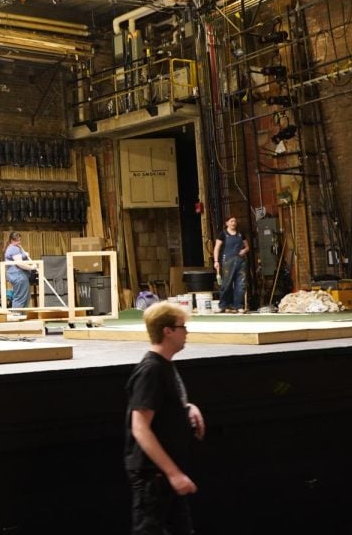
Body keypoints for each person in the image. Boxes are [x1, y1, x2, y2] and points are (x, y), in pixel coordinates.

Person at [125, 300, 206, 534]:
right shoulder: (151, 370)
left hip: (166, 476)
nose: (187, 333)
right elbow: (140, 427)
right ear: (167, 331)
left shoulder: (165, 366)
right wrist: (173, 474)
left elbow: (163, 404)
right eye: (182, 327)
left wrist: (187, 408)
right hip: (154, 478)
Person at [213, 215, 249, 313]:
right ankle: (223, 305)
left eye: (235, 221)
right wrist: (216, 261)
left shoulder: (241, 234)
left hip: (240, 262)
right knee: (226, 284)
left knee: (241, 284)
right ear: (227, 223)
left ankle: (238, 306)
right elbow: (217, 248)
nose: (234, 223)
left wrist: (244, 250)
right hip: (227, 262)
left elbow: (247, 247)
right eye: (231, 221)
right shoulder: (222, 234)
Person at [4, 231, 32, 309]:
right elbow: (20, 264)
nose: (19, 242)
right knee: (20, 298)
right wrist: (32, 267)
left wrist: (24, 255)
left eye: (20, 240)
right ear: (12, 240)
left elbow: (19, 259)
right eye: (17, 240)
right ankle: (16, 317)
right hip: (18, 276)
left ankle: (23, 317)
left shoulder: (15, 248)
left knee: (25, 298)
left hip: (19, 276)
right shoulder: (13, 248)